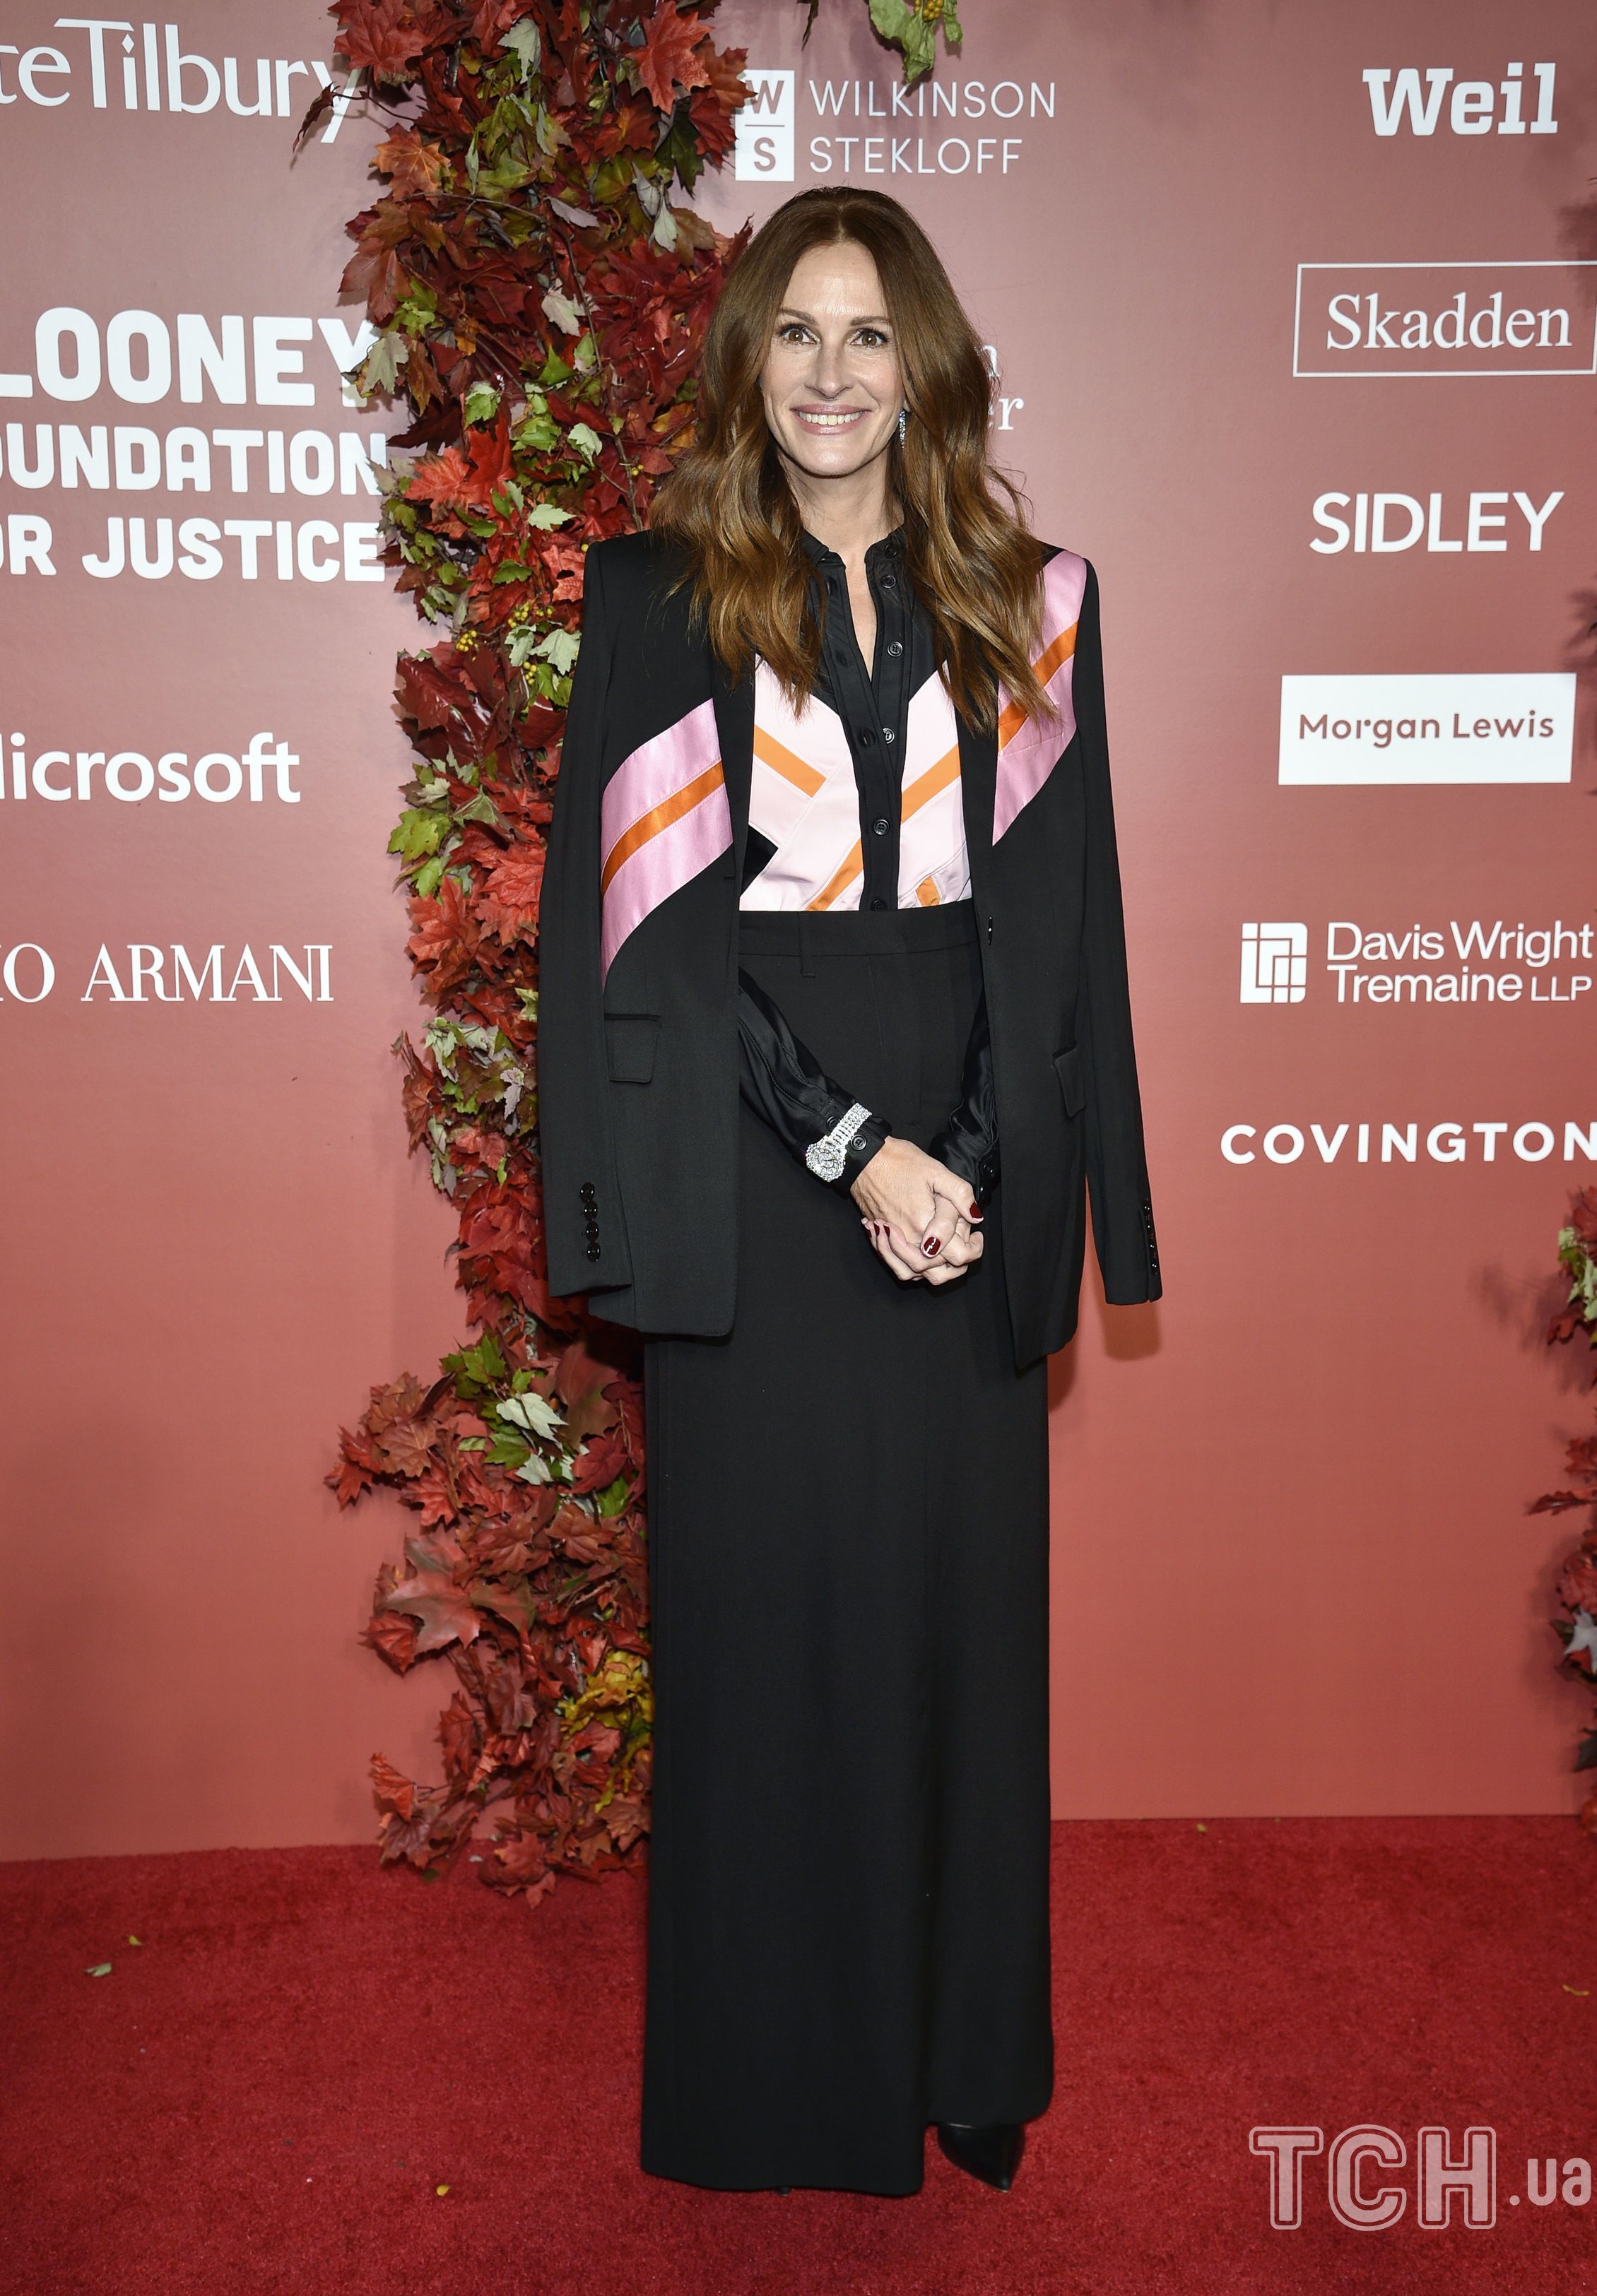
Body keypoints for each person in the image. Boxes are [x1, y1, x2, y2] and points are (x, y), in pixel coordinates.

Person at [538, 184, 1161, 2199]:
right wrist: (850, 1147)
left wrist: (964, 1157)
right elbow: (650, 942)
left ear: (925, 368)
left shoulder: (1035, 602)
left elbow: (1061, 936)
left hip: (964, 1168)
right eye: (795, 334)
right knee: (765, 1641)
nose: (830, 373)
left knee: (955, 1638)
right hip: (750, 1162)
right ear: (749, 365)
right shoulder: (654, 597)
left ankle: (959, 2052)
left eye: (868, 334)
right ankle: (775, 2089)